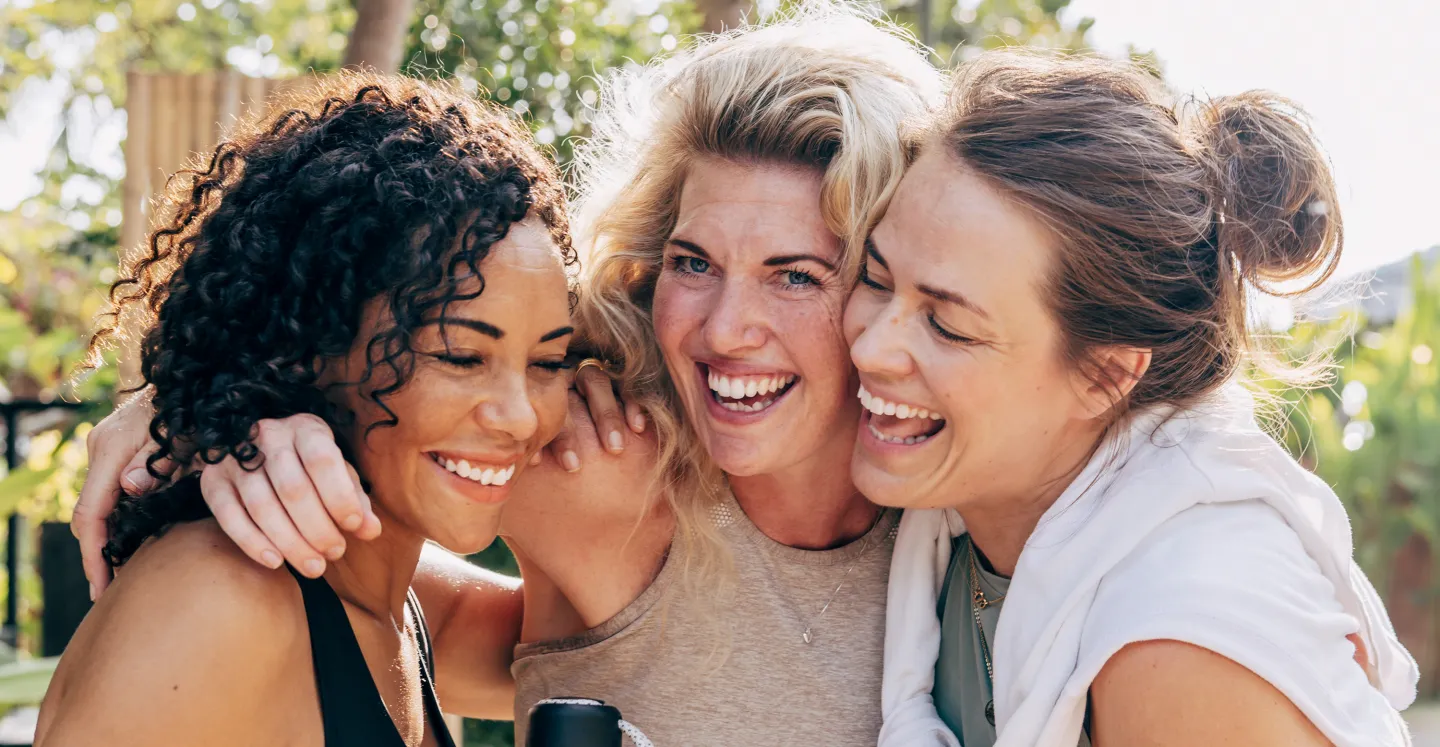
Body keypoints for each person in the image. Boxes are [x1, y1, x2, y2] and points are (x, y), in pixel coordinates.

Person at [69, 6, 943, 746]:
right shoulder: (601, 458)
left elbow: (446, 629)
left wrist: (208, 413)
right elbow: (396, 363)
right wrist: (208, 417)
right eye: (692, 261)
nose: (724, 329)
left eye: (797, 274)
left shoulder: (966, 494)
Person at [862, 51, 1416, 746]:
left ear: (1104, 375)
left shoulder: (1184, 637)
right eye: (875, 278)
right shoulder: (956, 536)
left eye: (947, 324)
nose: (868, 347)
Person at [38, 73, 577, 745]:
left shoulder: (390, 600)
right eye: (461, 356)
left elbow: (579, 646)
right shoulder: (216, 602)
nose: (522, 416)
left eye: (550, 361)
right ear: (311, 344)